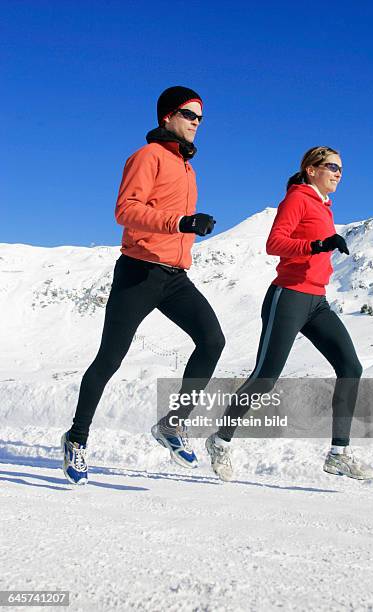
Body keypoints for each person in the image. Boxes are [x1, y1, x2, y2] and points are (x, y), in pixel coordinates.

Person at [62, 86, 225, 485]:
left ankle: (173, 425)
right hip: (139, 272)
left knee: (212, 340)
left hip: (174, 276)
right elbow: (126, 210)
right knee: (110, 359)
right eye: (189, 115)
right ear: (167, 116)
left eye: (200, 118)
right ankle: (77, 439)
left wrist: (183, 232)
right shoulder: (147, 156)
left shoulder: (187, 167)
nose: (196, 123)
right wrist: (182, 222)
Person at [205, 146, 373, 482]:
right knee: (266, 377)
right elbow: (275, 243)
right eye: (332, 167)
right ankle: (221, 440)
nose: (339, 173)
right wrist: (316, 246)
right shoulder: (297, 199)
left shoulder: (325, 207)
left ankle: (338, 454)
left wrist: (324, 249)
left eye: (342, 169)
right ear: (311, 170)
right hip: (289, 297)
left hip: (317, 301)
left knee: (350, 366)